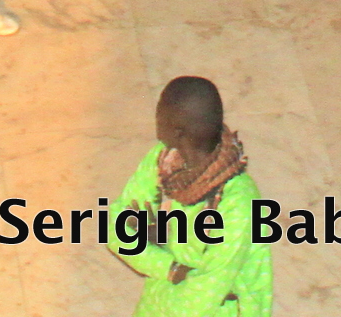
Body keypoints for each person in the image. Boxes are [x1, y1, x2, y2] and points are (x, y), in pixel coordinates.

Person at [112, 76, 272, 315]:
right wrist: (171, 269)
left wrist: (148, 252)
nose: (155, 117)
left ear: (178, 131)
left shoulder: (238, 204)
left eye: (159, 111)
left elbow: (206, 294)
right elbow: (113, 227)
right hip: (163, 295)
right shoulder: (163, 161)